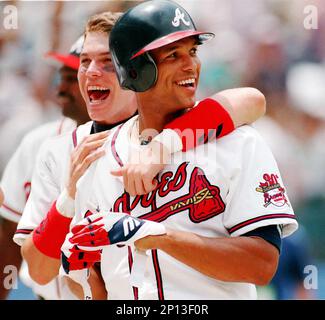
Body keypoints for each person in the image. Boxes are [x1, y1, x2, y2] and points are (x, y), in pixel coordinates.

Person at [17, 10, 266, 299]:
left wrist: (162, 146)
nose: (91, 71)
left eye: (107, 62)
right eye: (84, 61)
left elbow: (251, 100)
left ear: (131, 69)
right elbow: (39, 270)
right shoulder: (61, 151)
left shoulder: (200, 128)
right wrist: (68, 199)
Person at [68, 0, 298, 300]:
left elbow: (262, 264)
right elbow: (95, 279)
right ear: (135, 69)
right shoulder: (100, 158)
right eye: (173, 55)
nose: (191, 65)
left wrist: (158, 235)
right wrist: (81, 272)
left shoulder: (238, 142)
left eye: (192, 51)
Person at [0, 36, 89, 300]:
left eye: (72, 79)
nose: (60, 89)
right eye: (61, 78)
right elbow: (8, 237)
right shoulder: (37, 142)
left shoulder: (138, 146)